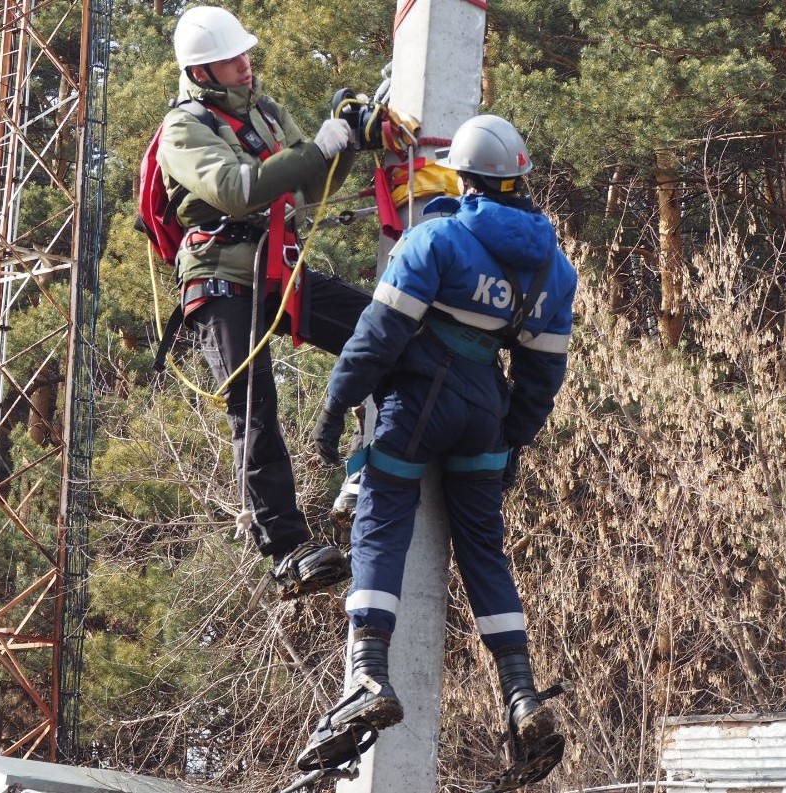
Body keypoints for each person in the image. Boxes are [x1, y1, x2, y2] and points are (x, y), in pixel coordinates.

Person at [302, 115, 577, 769]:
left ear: (463, 176)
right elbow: (542, 377)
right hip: (486, 410)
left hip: (419, 400)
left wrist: (337, 403)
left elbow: (378, 335)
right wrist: (508, 444)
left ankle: (370, 671)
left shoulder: (439, 240)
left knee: (381, 518)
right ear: (519, 177)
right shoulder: (554, 270)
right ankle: (519, 692)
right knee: (485, 551)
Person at [159, 5, 373, 598]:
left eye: (245, 54)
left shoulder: (265, 114)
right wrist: (318, 148)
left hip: (277, 266)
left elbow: (313, 185)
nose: (245, 65)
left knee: (380, 328)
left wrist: (346, 140)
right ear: (202, 72)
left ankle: (368, 465)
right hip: (222, 275)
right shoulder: (183, 129)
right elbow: (236, 190)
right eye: (232, 60)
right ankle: (286, 548)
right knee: (254, 407)